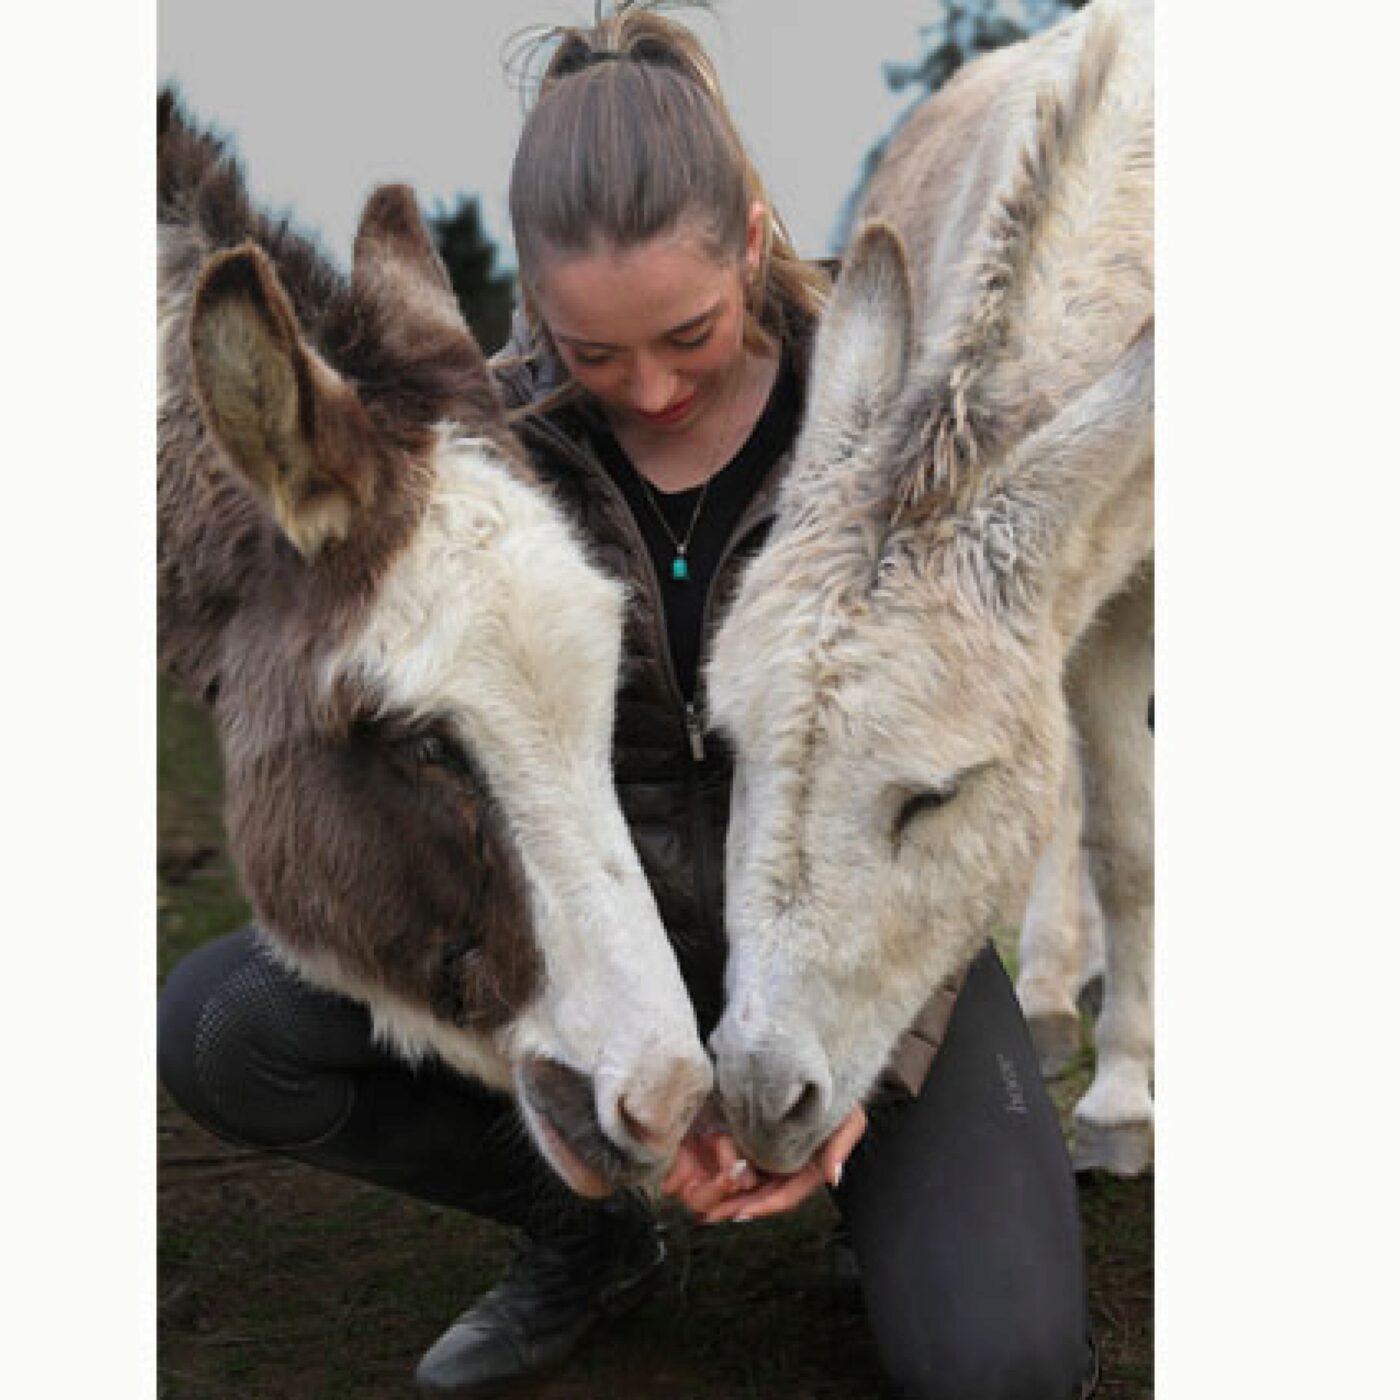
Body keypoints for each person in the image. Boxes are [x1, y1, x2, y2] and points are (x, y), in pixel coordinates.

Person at [157, 5, 1098, 1397]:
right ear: (533, 301)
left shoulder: (894, 420)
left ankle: (865, 1180)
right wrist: (618, 1037)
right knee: (226, 1026)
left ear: (754, 235)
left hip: (860, 955)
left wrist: (857, 1063)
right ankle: (583, 1225)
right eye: (594, 354)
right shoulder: (486, 452)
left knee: (1003, 1367)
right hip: (602, 946)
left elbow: (985, 767)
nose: (648, 387)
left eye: (691, 333)